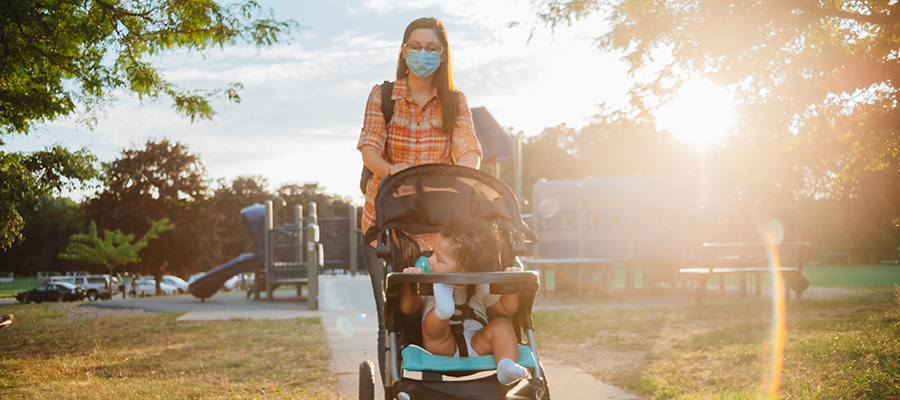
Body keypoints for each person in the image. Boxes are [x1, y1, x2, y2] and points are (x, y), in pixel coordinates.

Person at [357, 17, 483, 383]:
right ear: (403, 50)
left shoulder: (454, 102)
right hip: (384, 224)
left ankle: (435, 385)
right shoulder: (383, 96)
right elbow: (369, 150)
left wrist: (465, 175)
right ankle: (396, 387)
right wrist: (398, 173)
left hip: (436, 225)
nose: (422, 54)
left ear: (442, 55)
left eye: (431, 48)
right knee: (393, 314)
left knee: (437, 306)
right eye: (416, 46)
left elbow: (468, 151)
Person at [398, 216, 528, 385]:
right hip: (441, 345)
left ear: (465, 269)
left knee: (502, 324)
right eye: (432, 253)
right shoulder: (428, 282)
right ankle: (443, 310)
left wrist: (510, 285)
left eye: (438, 259)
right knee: (432, 325)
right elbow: (407, 308)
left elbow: (507, 308)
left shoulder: (481, 286)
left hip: (478, 342)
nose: (429, 260)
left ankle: (506, 364)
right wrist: (410, 282)